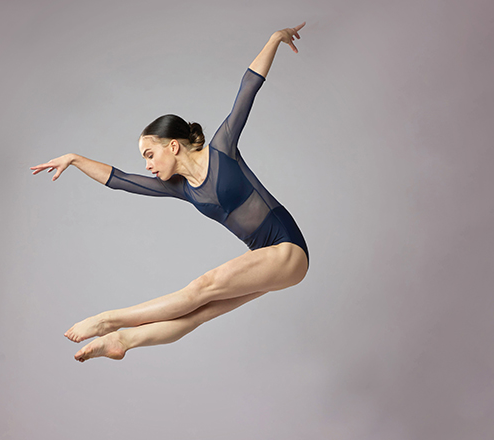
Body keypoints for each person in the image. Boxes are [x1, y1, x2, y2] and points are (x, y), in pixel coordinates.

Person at [31, 23, 308, 362]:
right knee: (199, 312)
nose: (147, 165)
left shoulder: (222, 150)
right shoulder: (182, 188)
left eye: (149, 155)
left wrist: (274, 39)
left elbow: (248, 88)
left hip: (287, 249)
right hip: (264, 261)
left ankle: (109, 320)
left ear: (173, 145)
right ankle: (123, 341)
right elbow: (119, 179)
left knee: (200, 288)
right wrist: (74, 159)